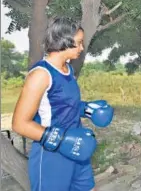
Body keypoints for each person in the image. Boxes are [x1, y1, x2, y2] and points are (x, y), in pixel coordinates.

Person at [11, 17, 114, 191]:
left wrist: (87, 109)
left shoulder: (68, 69)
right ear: (64, 42)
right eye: (79, 43)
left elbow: (63, 105)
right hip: (52, 155)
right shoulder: (41, 75)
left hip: (77, 146)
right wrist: (61, 140)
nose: (82, 48)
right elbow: (19, 124)